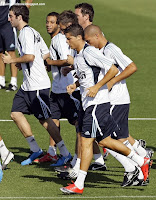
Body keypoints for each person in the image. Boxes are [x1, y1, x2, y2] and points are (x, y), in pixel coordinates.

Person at [59, 24, 150, 194]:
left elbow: (113, 69)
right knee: (104, 141)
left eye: (69, 38)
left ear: (79, 37)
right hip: (89, 105)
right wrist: (75, 85)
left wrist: (98, 87)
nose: (67, 41)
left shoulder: (89, 52)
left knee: (86, 142)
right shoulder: (79, 56)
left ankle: (79, 183)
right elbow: (89, 76)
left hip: (97, 104)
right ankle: (140, 159)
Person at [2, 5, 72, 166]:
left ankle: (66, 153)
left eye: (11, 16)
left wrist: (13, 60)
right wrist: (24, 65)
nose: (8, 19)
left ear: (19, 17)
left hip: (37, 86)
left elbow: (30, 56)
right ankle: (36, 150)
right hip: (27, 85)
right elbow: (44, 54)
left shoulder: (26, 33)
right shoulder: (31, 32)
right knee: (15, 113)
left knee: (46, 120)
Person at [84, 24, 154, 186]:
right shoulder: (99, 51)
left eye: (89, 41)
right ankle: (142, 163)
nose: (88, 44)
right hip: (111, 101)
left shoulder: (111, 49)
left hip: (116, 100)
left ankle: (137, 168)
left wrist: (111, 82)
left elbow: (132, 67)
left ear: (97, 36)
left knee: (108, 139)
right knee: (119, 138)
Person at [34, 12, 79, 167]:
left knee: (78, 123)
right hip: (57, 88)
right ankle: (52, 153)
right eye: (47, 22)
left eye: (53, 22)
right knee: (52, 120)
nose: (49, 25)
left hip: (66, 89)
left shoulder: (60, 39)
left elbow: (66, 60)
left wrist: (49, 62)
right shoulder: (58, 39)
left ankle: (94, 151)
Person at [0, 0, 33, 92]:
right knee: (0, 51)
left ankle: (13, 82)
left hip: (9, 23)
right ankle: (1, 81)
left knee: (11, 51)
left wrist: (24, 10)